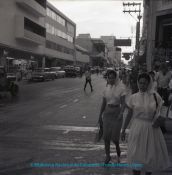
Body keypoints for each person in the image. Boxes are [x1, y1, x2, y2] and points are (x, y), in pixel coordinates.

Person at [121, 73, 170, 175]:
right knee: (135, 155)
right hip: (137, 128)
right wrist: (123, 129)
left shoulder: (155, 96)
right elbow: (129, 114)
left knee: (150, 155)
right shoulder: (133, 97)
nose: (142, 85)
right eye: (140, 83)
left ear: (149, 84)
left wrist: (160, 120)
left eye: (145, 83)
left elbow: (163, 109)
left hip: (152, 128)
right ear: (138, 83)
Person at [98, 70, 126, 164]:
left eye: (112, 77)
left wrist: (121, 113)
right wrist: (99, 116)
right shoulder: (106, 89)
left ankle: (117, 146)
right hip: (107, 114)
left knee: (114, 137)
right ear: (107, 78)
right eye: (109, 77)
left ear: (116, 78)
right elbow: (103, 103)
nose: (111, 79)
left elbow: (123, 103)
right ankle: (108, 156)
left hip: (117, 113)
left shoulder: (121, 88)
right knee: (106, 137)